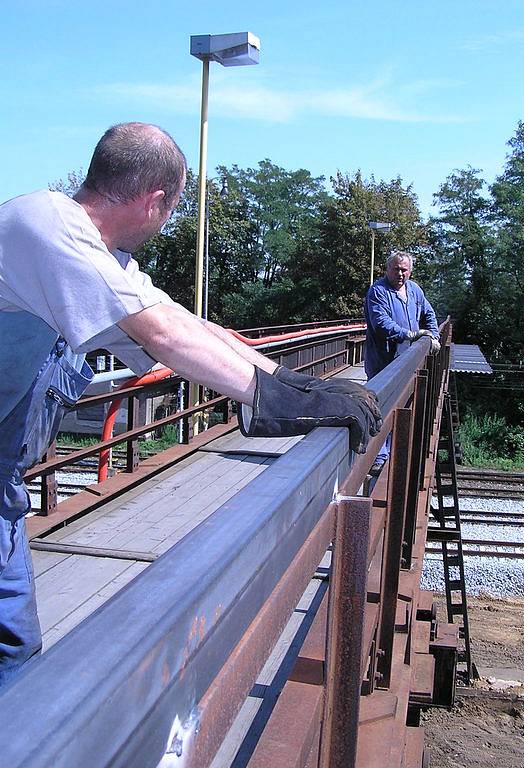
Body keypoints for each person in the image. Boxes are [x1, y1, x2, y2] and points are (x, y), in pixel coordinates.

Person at [0, 122, 381, 687]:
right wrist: (273, 398)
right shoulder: (45, 227)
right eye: (174, 207)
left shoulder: (101, 256)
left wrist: (293, 384)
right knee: (13, 653)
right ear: (156, 201)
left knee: (13, 650)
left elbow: (184, 324)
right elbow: (163, 337)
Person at [364, 250, 439, 476]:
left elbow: (428, 313)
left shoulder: (415, 290)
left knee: (403, 405)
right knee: (380, 406)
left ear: (410, 270)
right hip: (383, 363)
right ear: (387, 269)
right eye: (396, 269)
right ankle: (379, 456)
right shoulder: (377, 292)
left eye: (404, 269)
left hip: (408, 362)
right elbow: (381, 324)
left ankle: (395, 450)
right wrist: (410, 334)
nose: (400, 273)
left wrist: (433, 335)